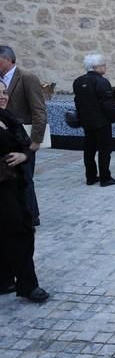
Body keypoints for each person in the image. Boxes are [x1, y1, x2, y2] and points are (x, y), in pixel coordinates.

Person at [0, 80, 49, 302]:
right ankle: (25, 284)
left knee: (20, 232)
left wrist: (24, 156)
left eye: (4, 92)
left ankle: (13, 280)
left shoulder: (7, 118)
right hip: (4, 188)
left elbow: (26, 147)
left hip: (15, 186)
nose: (3, 96)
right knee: (18, 234)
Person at [0, 45, 47, 226]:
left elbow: (39, 111)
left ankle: (32, 216)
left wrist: (35, 141)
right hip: (3, 140)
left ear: (8, 59)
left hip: (22, 139)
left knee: (25, 177)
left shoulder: (26, 77)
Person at [73, 54, 115, 187]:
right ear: (96, 67)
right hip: (101, 123)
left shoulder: (78, 81)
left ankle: (90, 177)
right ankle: (105, 178)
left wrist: (80, 118)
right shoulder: (102, 82)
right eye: (103, 65)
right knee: (104, 150)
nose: (105, 67)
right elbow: (108, 105)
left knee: (89, 150)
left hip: (87, 122)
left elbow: (77, 102)